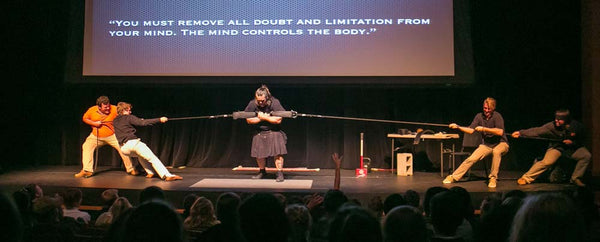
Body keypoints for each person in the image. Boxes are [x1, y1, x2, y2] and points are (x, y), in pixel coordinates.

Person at [512, 109, 591, 187]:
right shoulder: (551, 126)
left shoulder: (576, 126)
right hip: (557, 148)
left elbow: (583, 138)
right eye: (556, 119)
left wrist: (573, 143)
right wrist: (520, 133)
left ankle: (576, 178)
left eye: (559, 120)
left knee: (586, 155)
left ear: (566, 120)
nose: (556, 121)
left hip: (572, 148)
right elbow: (537, 131)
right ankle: (526, 178)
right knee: (547, 162)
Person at [443, 97, 509, 188]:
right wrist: (458, 126)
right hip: (487, 145)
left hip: (501, 143)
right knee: (472, 158)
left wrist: (484, 129)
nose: (486, 110)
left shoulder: (497, 116)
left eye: (489, 109)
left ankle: (493, 178)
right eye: (485, 108)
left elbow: (500, 132)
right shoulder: (479, 116)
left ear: (493, 108)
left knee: (496, 152)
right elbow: (470, 130)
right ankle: (454, 177)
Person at [113, 102, 182, 181]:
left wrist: (138, 120)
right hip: (133, 144)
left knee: (140, 155)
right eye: (129, 110)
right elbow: (143, 123)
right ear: (124, 110)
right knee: (152, 158)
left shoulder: (115, 121)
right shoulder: (129, 117)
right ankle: (167, 175)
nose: (130, 112)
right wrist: (159, 119)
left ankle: (150, 172)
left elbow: (127, 125)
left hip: (124, 149)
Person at [76, 96, 137, 178]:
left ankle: (131, 169)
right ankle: (87, 170)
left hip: (112, 135)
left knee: (123, 148)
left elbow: (125, 113)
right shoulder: (92, 110)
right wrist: (94, 123)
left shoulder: (115, 109)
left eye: (108, 106)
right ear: (99, 107)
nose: (108, 108)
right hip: (96, 136)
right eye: (105, 107)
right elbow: (85, 118)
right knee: (86, 146)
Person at [244, 85, 288, 182]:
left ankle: (280, 173)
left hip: (274, 131)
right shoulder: (252, 103)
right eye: (258, 100)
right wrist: (265, 118)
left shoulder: (275, 102)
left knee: (278, 153)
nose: (260, 102)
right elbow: (248, 120)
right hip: (260, 131)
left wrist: (263, 118)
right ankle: (262, 171)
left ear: (267, 98)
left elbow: (278, 119)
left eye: (262, 101)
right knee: (259, 154)